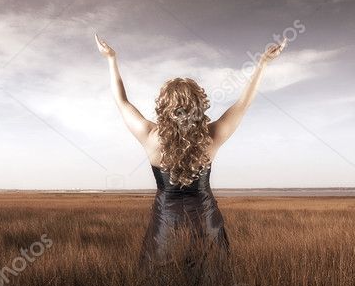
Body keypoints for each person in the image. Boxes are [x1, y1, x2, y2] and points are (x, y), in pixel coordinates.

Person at [94, 34, 286, 269]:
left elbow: (121, 102)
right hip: (205, 223)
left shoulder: (150, 136)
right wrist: (263, 62)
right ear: (198, 105)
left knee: (162, 283)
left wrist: (111, 59)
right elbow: (243, 104)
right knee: (210, 284)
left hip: (165, 224)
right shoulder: (211, 137)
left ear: (164, 108)